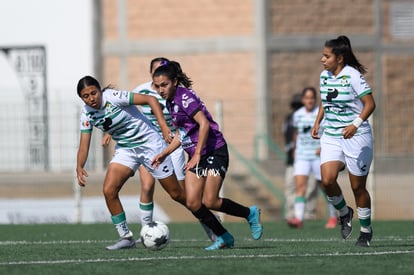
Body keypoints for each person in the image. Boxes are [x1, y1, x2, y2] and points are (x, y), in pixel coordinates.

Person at [75, 76, 219, 250]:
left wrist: (164, 127)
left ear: (100, 90)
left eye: (93, 93)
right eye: (86, 96)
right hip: (126, 150)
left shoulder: (113, 97)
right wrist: (79, 166)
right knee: (109, 190)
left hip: (151, 145)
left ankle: (210, 222)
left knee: (177, 194)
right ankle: (126, 237)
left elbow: (150, 99)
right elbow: (84, 145)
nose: (91, 98)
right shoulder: (86, 113)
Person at [151, 60, 263, 250]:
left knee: (210, 201)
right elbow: (183, 133)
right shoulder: (170, 101)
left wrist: (195, 156)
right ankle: (224, 236)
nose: (161, 90)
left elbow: (203, 124)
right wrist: (165, 153)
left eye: (164, 85)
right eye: (157, 86)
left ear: (175, 82)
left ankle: (249, 213)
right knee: (193, 202)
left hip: (214, 150)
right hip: (197, 155)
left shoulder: (184, 97)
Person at [102, 57, 217, 241]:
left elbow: (192, 118)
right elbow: (121, 108)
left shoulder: (178, 93)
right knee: (147, 186)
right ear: (151, 74)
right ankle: (146, 230)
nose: (161, 84)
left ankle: (210, 223)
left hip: (175, 145)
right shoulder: (142, 90)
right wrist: (109, 132)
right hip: (149, 144)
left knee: (181, 194)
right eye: (156, 72)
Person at [312, 35, 376, 247]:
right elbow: (325, 100)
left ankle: (365, 231)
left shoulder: (353, 76)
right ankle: (344, 212)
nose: (323, 59)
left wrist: (355, 124)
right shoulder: (324, 76)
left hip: (356, 136)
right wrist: (317, 122)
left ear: (339, 58)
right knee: (327, 180)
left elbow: (370, 104)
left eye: (326, 56)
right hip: (332, 135)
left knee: (358, 187)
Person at [286, 87, 337, 229]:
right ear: (303, 100)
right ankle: (298, 219)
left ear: (315, 99)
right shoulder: (297, 115)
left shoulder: (320, 114)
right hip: (302, 156)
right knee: (300, 187)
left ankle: (333, 216)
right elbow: (297, 133)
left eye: (312, 98)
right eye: (307, 98)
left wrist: (323, 148)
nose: (309, 100)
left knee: (326, 187)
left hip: (318, 156)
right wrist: (295, 150)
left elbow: (328, 131)